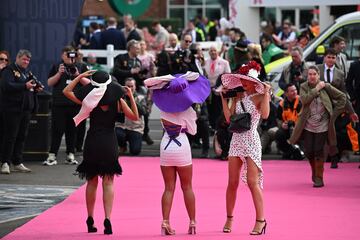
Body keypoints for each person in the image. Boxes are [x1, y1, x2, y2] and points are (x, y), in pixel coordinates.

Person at [63, 70, 139, 235]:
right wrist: (131, 96)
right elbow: (135, 117)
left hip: (92, 141)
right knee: (108, 182)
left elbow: (66, 91)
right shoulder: (118, 100)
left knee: (91, 182)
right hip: (109, 142)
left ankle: (90, 218)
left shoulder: (89, 100)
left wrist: (79, 77)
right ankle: (108, 219)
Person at [144, 71, 210, 236]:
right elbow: (194, 132)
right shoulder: (189, 111)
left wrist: (171, 79)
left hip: (166, 145)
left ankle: (165, 221)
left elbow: (149, 82)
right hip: (182, 145)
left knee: (168, 188)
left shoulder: (164, 109)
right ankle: (192, 222)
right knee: (187, 187)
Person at [220, 61, 271, 235]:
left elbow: (265, 114)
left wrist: (266, 94)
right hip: (236, 140)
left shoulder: (259, 96)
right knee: (232, 183)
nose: (244, 83)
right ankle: (229, 218)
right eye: (242, 80)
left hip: (252, 141)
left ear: (254, 81)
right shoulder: (238, 97)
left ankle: (260, 220)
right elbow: (229, 119)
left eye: (247, 80)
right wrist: (224, 99)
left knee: (252, 182)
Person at [289, 65, 346, 187]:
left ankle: (319, 178)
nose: (312, 76)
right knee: (309, 151)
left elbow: (342, 97)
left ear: (318, 75)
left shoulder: (326, 86)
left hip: (323, 125)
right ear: (307, 76)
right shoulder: (304, 86)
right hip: (308, 124)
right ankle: (315, 172)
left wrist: (334, 114)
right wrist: (316, 89)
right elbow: (304, 100)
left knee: (318, 150)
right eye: (310, 74)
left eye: (314, 74)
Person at [43, 46, 89, 166]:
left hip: (75, 103)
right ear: (62, 55)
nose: (69, 57)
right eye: (67, 54)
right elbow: (49, 83)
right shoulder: (57, 66)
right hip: (59, 103)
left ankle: (70, 154)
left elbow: (88, 84)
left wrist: (78, 75)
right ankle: (52, 154)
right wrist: (59, 73)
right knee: (57, 129)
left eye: (71, 54)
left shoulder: (81, 66)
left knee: (72, 130)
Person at [1, 49, 42, 174]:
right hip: (12, 109)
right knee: (10, 136)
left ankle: (17, 162)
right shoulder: (9, 70)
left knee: (21, 136)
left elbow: (31, 84)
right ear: (17, 58)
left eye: (28, 60)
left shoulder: (26, 72)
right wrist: (25, 86)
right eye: (24, 59)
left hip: (25, 109)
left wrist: (36, 87)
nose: (26, 62)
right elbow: (7, 86)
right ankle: (5, 162)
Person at [317, 48, 359, 168]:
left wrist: (351, 111)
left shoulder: (340, 73)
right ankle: (322, 157)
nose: (331, 60)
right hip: (319, 106)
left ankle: (334, 157)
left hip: (335, 108)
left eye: (333, 57)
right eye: (329, 57)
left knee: (332, 133)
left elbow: (343, 93)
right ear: (324, 58)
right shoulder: (317, 69)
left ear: (336, 59)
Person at [115, 78, 147, 155]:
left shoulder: (140, 98)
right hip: (121, 126)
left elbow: (144, 112)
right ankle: (123, 146)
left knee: (135, 151)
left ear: (135, 86)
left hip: (135, 128)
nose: (129, 88)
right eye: (127, 86)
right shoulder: (119, 97)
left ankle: (132, 143)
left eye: (131, 86)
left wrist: (132, 98)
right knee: (117, 133)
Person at [275, 83, 305, 160]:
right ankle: (291, 151)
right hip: (287, 127)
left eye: (295, 90)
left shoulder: (301, 101)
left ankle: (294, 152)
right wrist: (282, 125)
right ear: (286, 93)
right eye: (292, 91)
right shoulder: (282, 104)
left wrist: (296, 125)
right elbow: (278, 119)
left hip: (301, 127)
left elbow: (305, 117)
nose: (295, 92)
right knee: (279, 134)